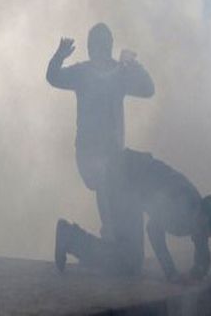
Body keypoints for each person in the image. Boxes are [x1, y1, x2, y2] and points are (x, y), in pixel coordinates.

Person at [46, 24, 155, 239]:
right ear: (91, 49)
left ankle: (111, 238)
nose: (101, 52)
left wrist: (133, 64)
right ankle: (109, 235)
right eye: (99, 47)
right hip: (89, 153)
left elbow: (148, 89)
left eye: (103, 47)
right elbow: (54, 77)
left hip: (112, 153)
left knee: (115, 186)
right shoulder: (86, 73)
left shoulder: (118, 71)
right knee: (104, 180)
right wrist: (58, 56)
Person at [55, 149, 211, 283]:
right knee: (129, 261)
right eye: (204, 229)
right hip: (120, 178)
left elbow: (202, 256)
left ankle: (91, 252)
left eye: (207, 234)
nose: (202, 236)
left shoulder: (198, 218)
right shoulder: (181, 206)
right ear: (202, 216)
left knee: (129, 258)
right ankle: (70, 238)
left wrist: (196, 275)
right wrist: (171, 273)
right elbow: (153, 229)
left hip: (129, 182)